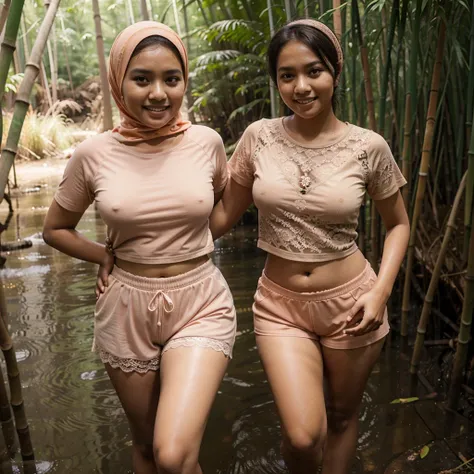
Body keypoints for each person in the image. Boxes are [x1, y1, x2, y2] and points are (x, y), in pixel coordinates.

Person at [209, 19, 410, 474]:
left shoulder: (368, 147)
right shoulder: (258, 137)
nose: (301, 86)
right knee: (302, 436)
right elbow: (221, 217)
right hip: (281, 305)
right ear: (276, 80)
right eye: (287, 75)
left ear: (335, 72)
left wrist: (379, 293)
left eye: (313, 71)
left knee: (340, 417)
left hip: (353, 303)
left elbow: (398, 225)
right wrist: (148, 247)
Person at [43, 21, 236, 474]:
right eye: (142, 79)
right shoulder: (91, 155)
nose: (158, 93)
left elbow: (223, 210)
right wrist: (104, 255)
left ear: (184, 80)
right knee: (148, 447)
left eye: (172, 79)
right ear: (118, 82)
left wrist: (185, 249)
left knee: (173, 452)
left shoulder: (207, 143)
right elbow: (56, 229)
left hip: (200, 302)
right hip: (126, 308)